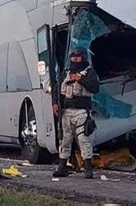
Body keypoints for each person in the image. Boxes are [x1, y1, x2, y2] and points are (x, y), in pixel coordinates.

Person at [52, 46, 100, 179]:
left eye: (78, 56)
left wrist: (80, 79)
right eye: (73, 57)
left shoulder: (89, 72)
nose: (75, 59)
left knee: (84, 139)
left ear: (83, 57)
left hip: (82, 111)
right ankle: (62, 167)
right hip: (66, 111)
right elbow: (57, 88)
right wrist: (55, 103)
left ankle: (88, 169)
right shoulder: (66, 72)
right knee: (64, 140)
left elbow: (95, 88)